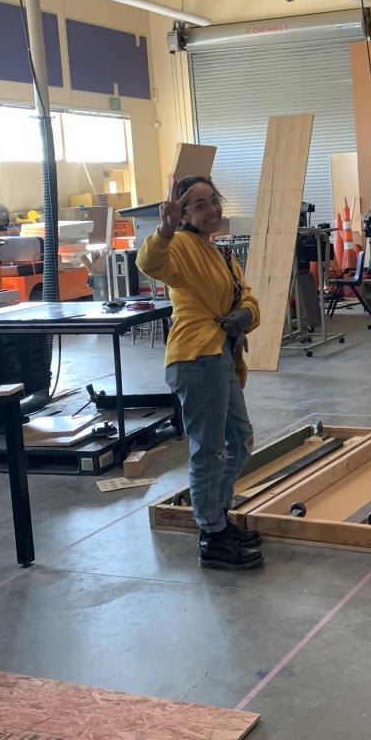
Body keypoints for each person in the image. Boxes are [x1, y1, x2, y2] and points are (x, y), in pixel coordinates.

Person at [137, 175, 263, 570]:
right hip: (196, 358)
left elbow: (247, 296)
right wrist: (164, 230)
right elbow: (149, 263)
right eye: (200, 205)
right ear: (183, 214)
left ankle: (217, 516)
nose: (212, 210)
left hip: (220, 355)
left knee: (239, 441)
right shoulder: (179, 246)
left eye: (213, 201)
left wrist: (246, 316)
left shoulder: (219, 252)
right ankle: (212, 535)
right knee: (209, 449)